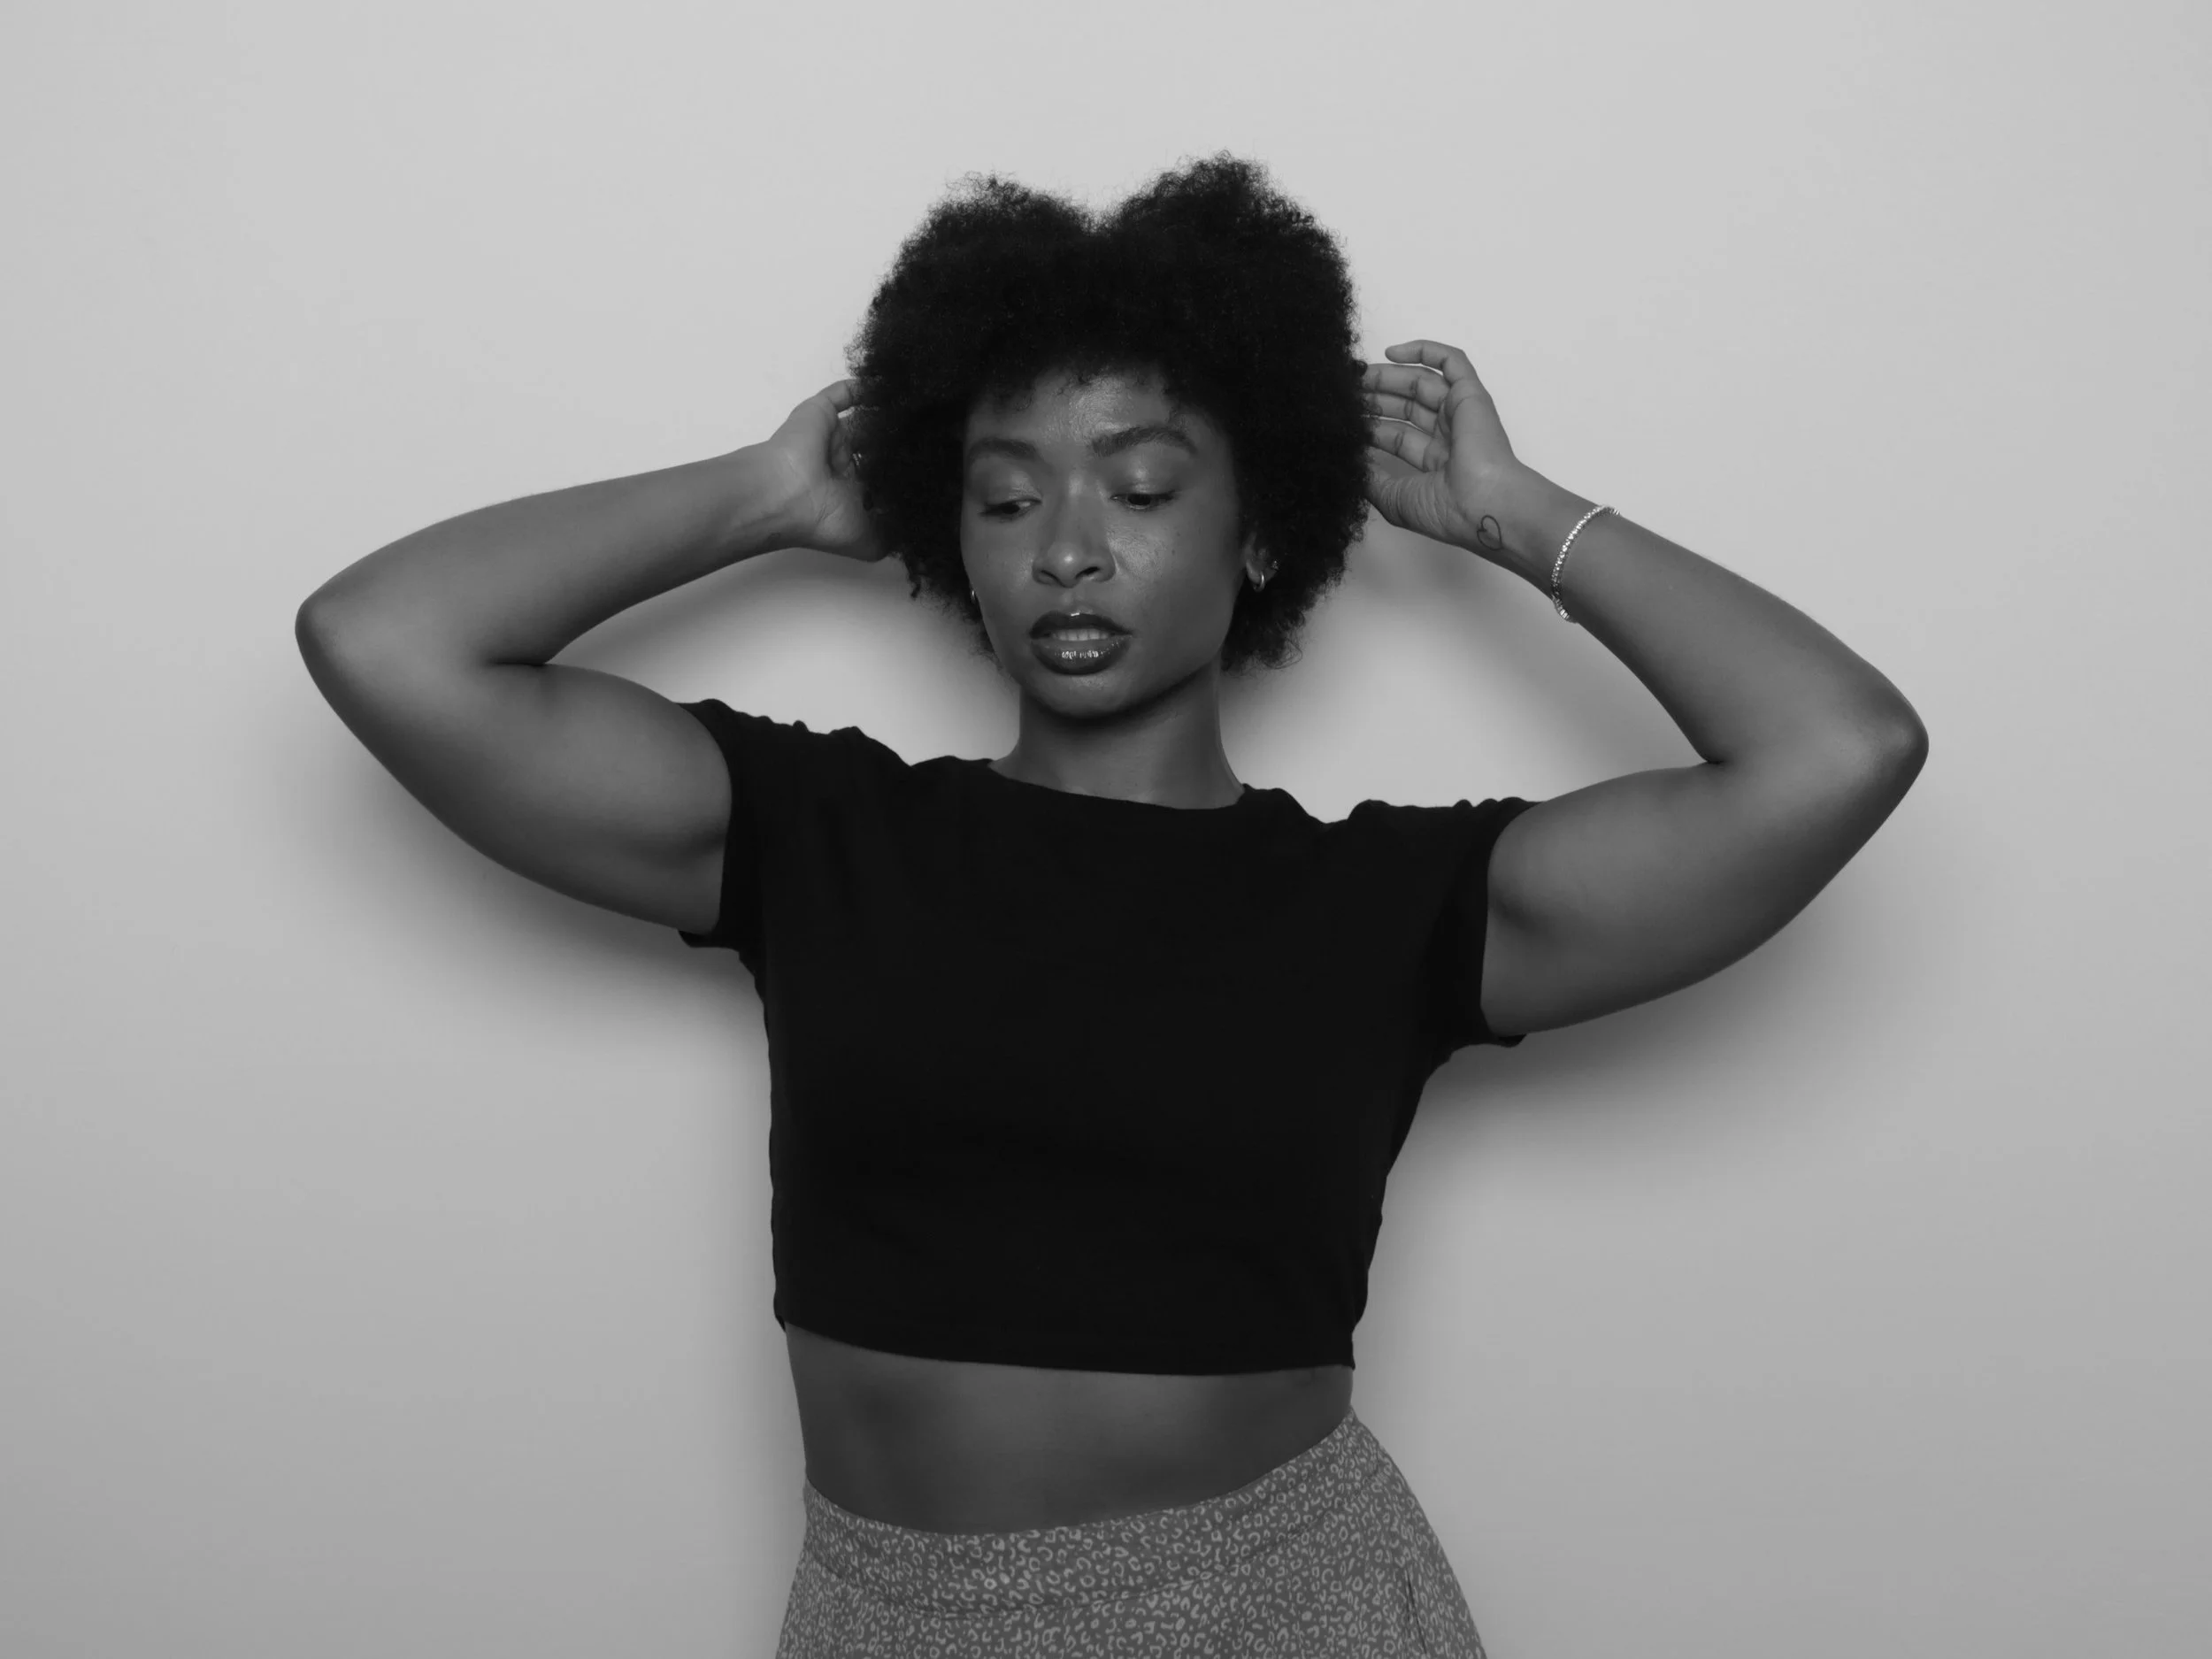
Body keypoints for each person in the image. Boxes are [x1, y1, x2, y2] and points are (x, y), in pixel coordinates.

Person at [296, 155, 1927, 1657]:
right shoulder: (821, 836)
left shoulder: (1389, 905)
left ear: (1266, 526)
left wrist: (1509, 515)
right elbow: (386, 640)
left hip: (1270, 1605)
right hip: (884, 1614)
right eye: (1005, 499)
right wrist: (766, 498)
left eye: (1140, 489)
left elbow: (1833, 750)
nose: (1068, 549)